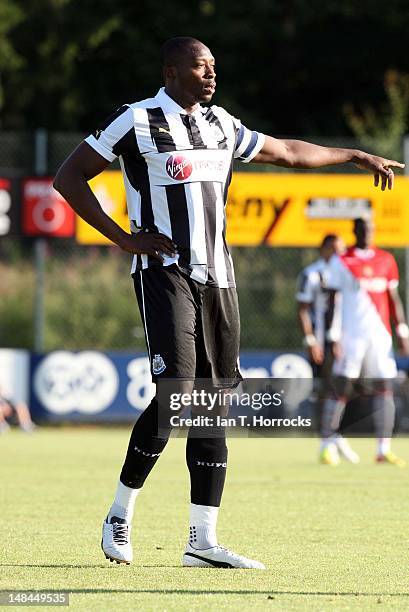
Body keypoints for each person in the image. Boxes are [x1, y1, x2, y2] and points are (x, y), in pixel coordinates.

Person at [53, 36, 404, 569]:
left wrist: (353, 154)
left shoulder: (221, 124)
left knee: (212, 404)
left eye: (214, 65)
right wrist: (124, 238)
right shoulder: (136, 120)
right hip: (165, 272)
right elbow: (68, 177)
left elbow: (287, 152)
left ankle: (202, 540)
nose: (212, 74)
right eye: (201, 66)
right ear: (171, 72)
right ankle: (120, 514)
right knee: (177, 395)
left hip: (220, 280)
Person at [320, 216, 409, 466]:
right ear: (355, 231)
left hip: (380, 337)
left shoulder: (386, 260)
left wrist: (402, 331)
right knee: (342, 387)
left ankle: (383, 449)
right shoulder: (342, 261)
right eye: (362, 229)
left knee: (385, 387)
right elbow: (332, 300)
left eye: (370, 229)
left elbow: (393, 298)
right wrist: (333, 336)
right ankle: (326, 444)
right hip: (351, 336)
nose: (366, 233)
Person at [295, 234, 360, 464]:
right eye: (333, 249)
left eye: (342, 249)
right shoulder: (312, 274)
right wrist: (311, 340)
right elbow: (302, 309)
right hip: (323, 342)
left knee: (344, 389)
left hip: (348, 341)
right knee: (325, 390)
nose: (338, 254)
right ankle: (328, 442)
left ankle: (335, 435)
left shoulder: (350, 273)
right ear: (323, 250)